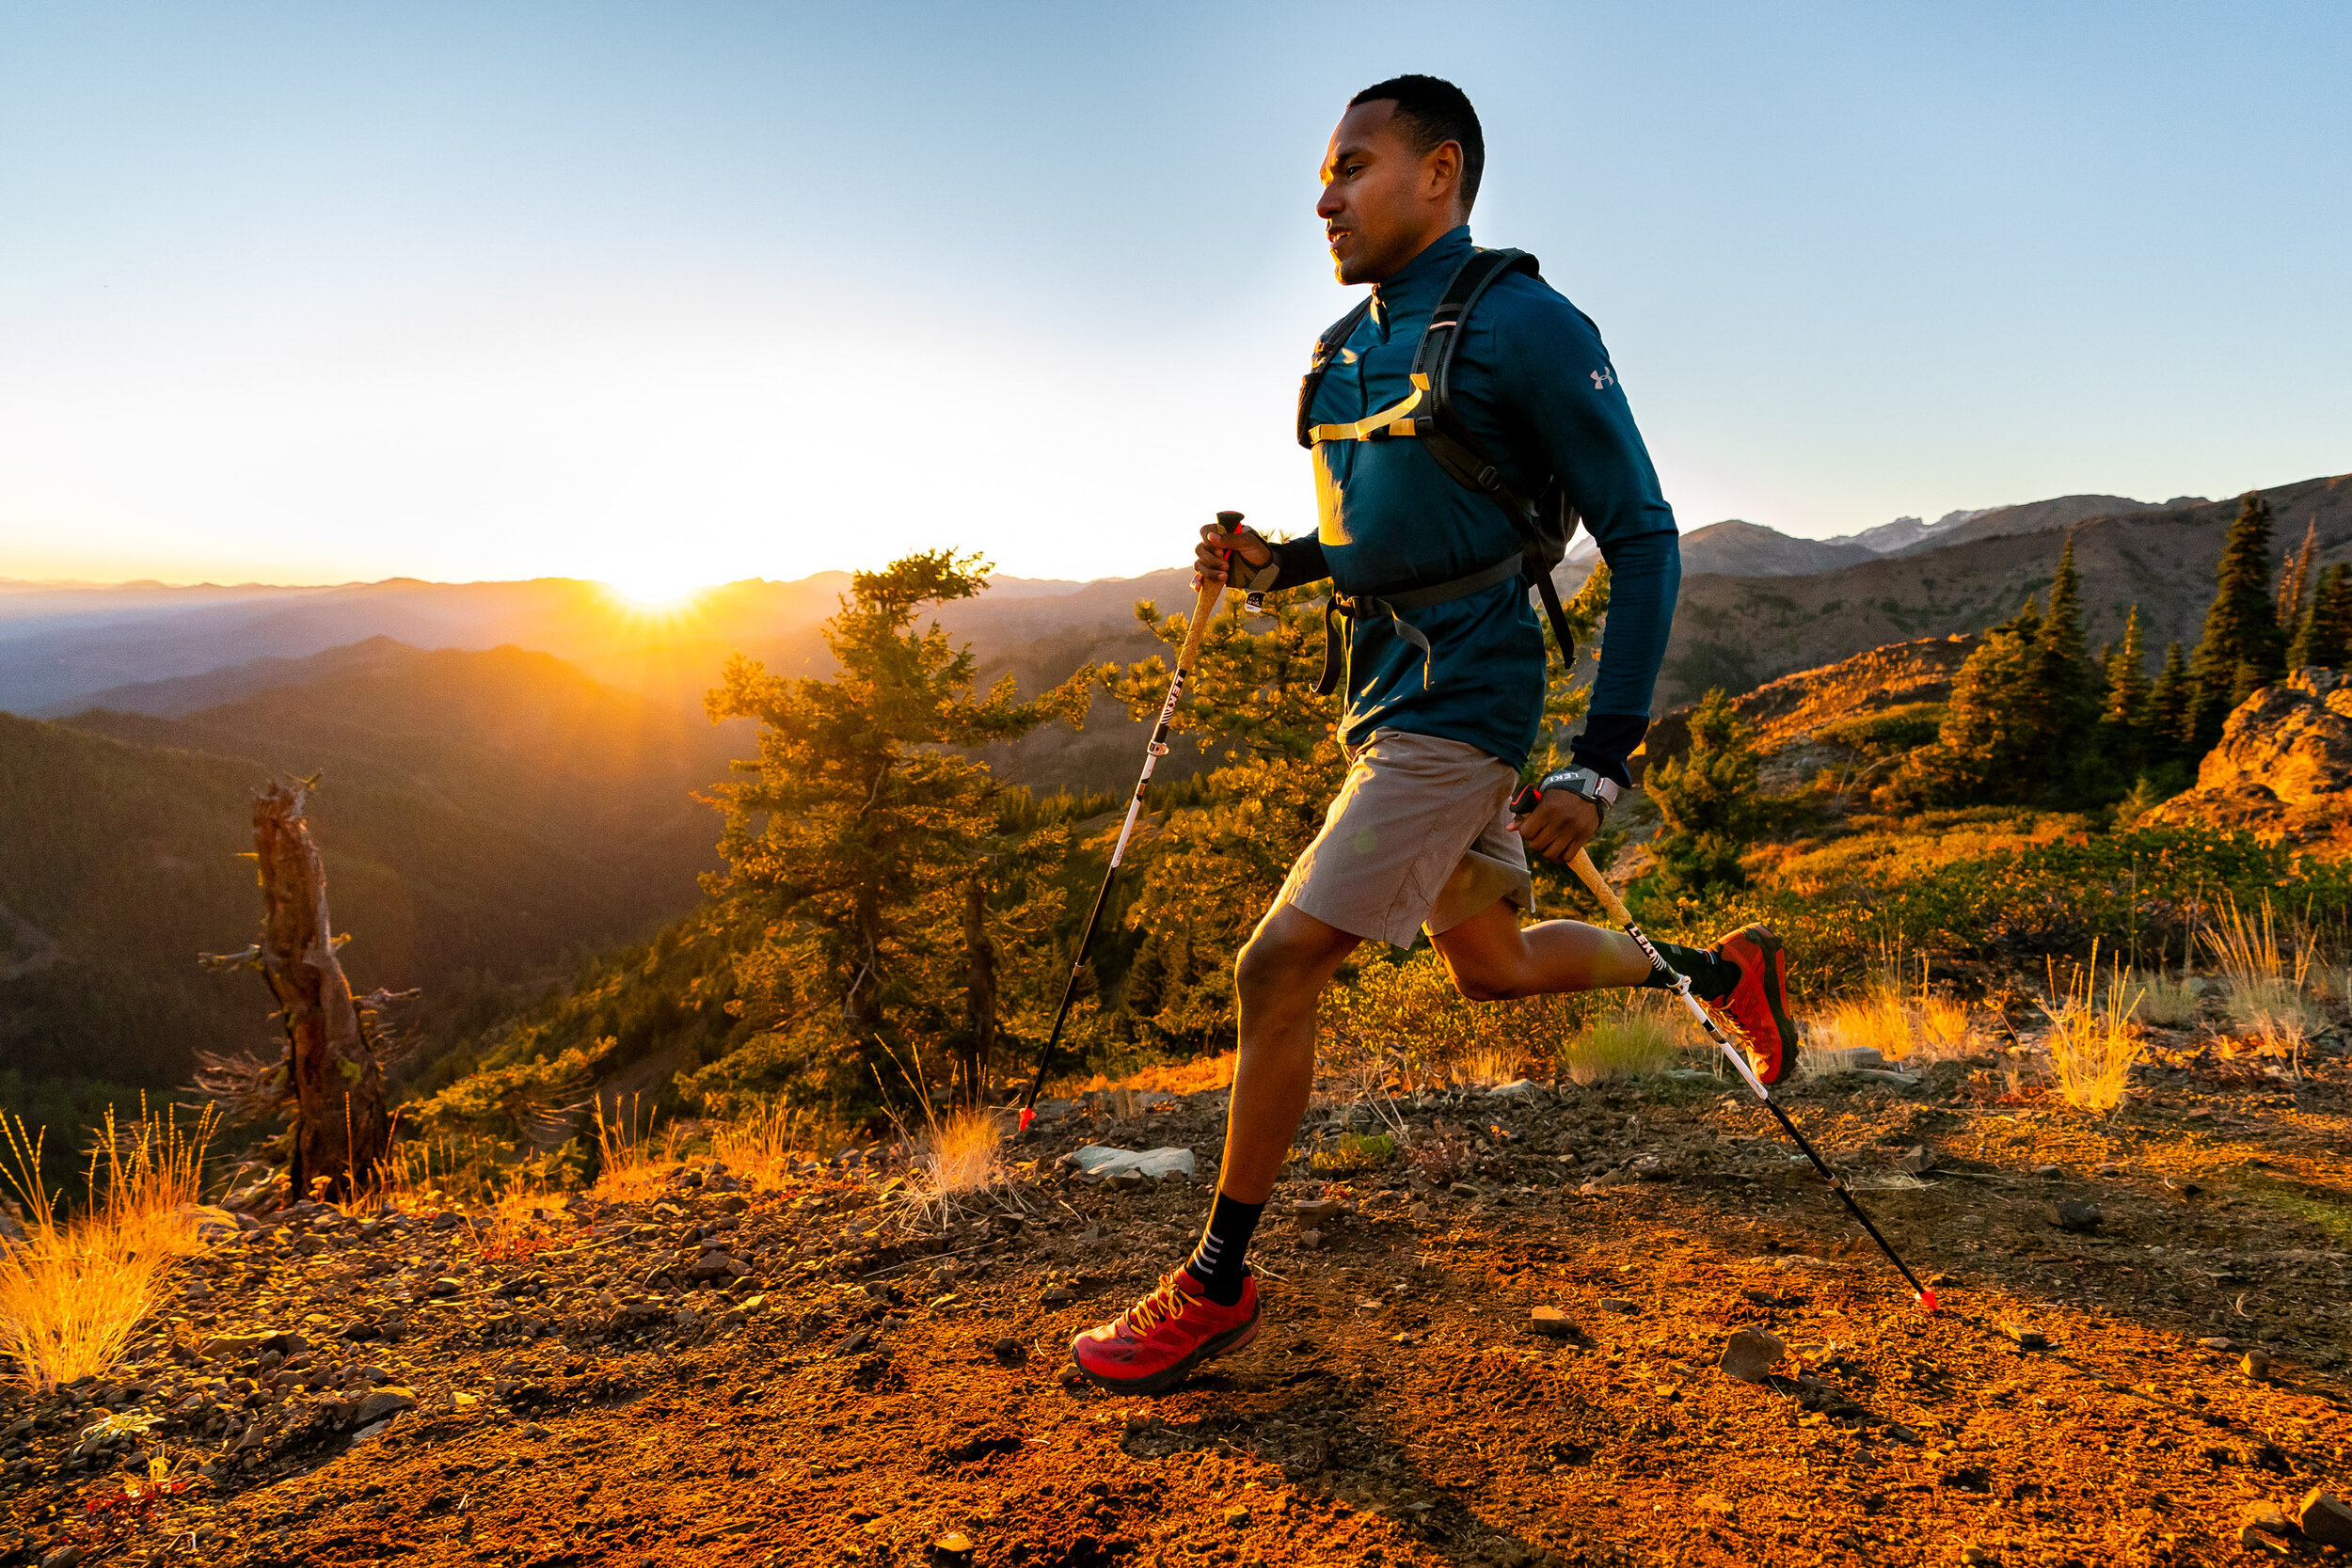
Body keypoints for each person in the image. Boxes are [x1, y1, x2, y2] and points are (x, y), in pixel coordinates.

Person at [1072, 74, 1797, 1396]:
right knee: (1496, 966)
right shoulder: (1348, 345)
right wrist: (1275, 564)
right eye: (1323, 173)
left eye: (1354, 165)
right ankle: (1722, 972)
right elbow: (1376, 541)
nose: (1324, 194)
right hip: (1385, 704)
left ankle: (1216, 1286)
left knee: (1275, 968)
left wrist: (1599, 761)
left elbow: (1640, 534)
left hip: (1461, 709)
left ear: (1442, 174)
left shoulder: (1525, 324)